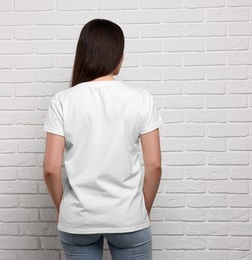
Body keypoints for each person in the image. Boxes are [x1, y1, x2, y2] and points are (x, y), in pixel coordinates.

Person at [43, 18, 164, 260]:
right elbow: (154, 166)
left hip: (78, 218)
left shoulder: (63, 100)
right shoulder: (141, 98)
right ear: (116, 54)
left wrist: (63, 209)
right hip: (128, 216)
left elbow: (50, 169)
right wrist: (142, 210)